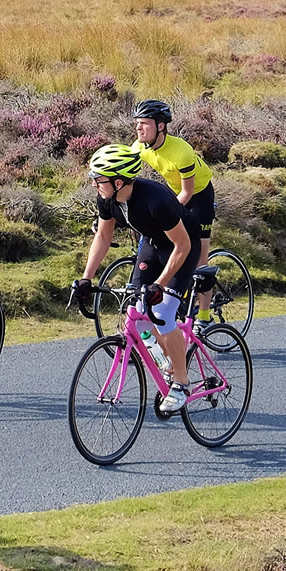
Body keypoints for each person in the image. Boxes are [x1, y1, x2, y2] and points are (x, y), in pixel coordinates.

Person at [69, 144, 203, 416]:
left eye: (99, 179)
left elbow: (183, 246)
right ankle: (168, 357)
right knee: (137, 309)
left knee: (163, 311)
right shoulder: (107, 198)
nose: (94, 184)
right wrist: (86, 278)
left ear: (119, 181)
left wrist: (161, 284)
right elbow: (104, 237)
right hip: (154, 245)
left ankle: (181, 382)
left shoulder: (155, 200)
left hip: (183, 247)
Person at [129, 98, 217, 323]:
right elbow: (126, 180)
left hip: (199, 195)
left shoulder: (182, 152)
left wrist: (167, 216)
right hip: (174, 192)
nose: (139, 127)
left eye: (145, 123)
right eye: (137, 122)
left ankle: (204, 315)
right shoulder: (139, 147)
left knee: (200, 258)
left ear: (160, 126)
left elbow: (187, 193)